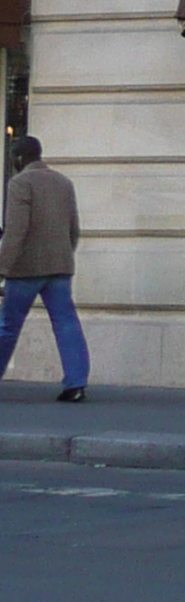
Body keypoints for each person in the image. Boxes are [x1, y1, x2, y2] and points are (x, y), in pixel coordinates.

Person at [0, 135, 85, 402]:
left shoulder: (21, 183)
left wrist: (2, 267)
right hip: (60, 266)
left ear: (19, 158)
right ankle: (76, 383)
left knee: (8, 325)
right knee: (66, 323)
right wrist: (63, 255)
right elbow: (74, 228)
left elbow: (15, 231)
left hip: (25, 269)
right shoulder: (63, 182)